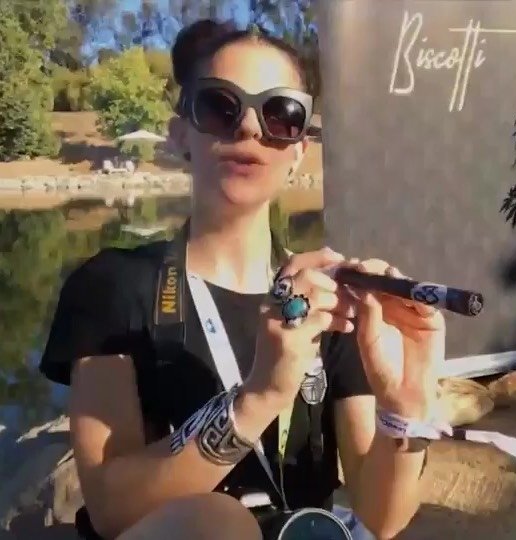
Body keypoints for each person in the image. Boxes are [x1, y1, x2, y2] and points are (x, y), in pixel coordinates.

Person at [40, 19, 445, 540]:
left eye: (281, 114)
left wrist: (404, 409)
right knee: (218, 522)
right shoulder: (111, 287)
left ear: (299, 150)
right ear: (180, 134)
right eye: (220, 106)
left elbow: (381, 516)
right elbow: (112, 510)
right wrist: (258, 397)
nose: (251, 128)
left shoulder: (327, 300)